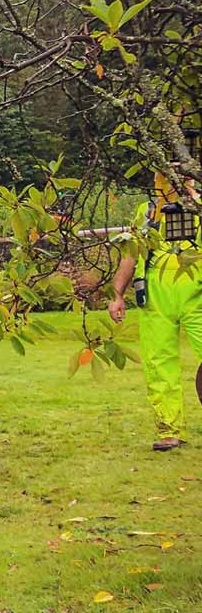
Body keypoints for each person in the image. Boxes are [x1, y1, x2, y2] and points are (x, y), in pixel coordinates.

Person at [108, 190, 202, 451]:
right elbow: (130, 256)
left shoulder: (199, 206)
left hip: (198, 296)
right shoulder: (146, 213)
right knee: (159, 365)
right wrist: (116, 295)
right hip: (154, 299)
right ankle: (169, 430)